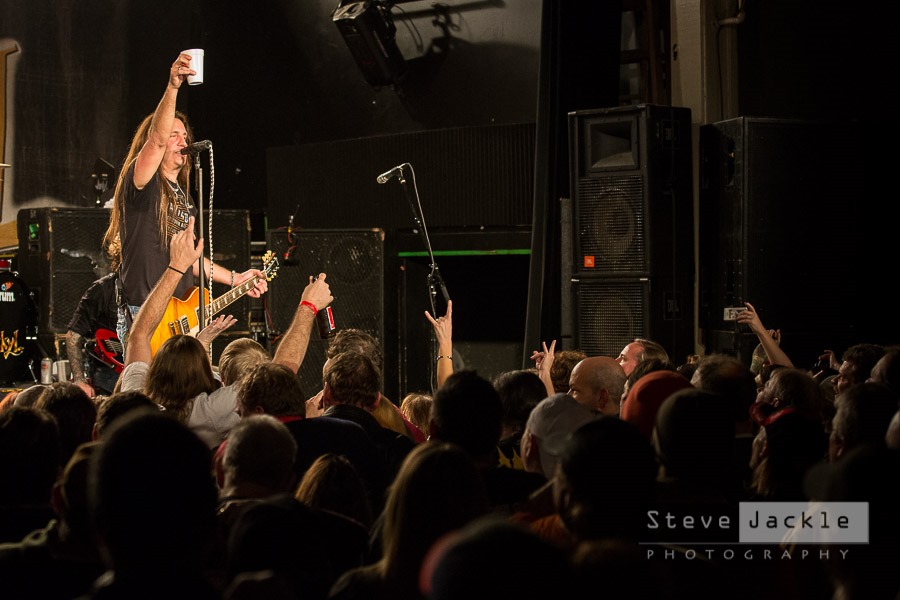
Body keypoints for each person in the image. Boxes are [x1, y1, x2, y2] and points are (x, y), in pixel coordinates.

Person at [118, 216, 332, 450]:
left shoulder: (135, 398)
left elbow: (138, 334)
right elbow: (280, 372)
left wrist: (176, 267)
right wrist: (309, 305)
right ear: (204, 374)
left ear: (155, 371)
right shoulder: (205, 413)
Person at [102, 51, 266, 346]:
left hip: (180, 316)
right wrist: (174, 87)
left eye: (184, 134)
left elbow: (190, 261)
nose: (182, 140)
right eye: (173, 135)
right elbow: (155, 138)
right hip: (146, 311)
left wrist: (236, 279)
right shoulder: (143, 181)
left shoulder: (186, 198)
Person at [65, 270, 120, 397]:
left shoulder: (152, 287)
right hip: (109, 377)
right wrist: (79, 380)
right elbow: (73, 335)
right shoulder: (102, 289)